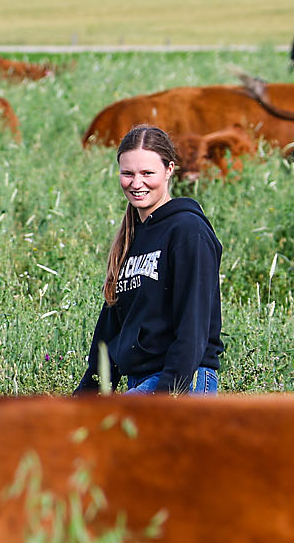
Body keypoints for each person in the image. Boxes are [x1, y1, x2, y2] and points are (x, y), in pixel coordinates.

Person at [75, 124, 223, 395]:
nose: (136, 183)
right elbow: (110, 331)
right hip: (142, 380)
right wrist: (83, 403)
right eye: (127, 173)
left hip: (183, 379)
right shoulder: (132, 239)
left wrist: (163, 397)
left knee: (110, 434)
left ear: (169, 170)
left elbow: (193, 327)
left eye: (147, 173)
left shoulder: (189, 231)